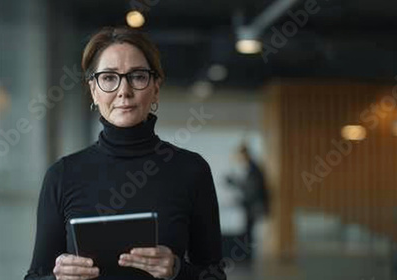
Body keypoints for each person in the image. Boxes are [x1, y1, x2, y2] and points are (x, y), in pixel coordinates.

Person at [25, 26, 226, 280]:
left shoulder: (191, 170)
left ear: (155, 87)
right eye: (109, 78)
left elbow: (216, 276)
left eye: (138, 76)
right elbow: (35, 276)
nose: (124, 91)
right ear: (93, 90)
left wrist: (177, 270)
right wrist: (57, 278)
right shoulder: (62, 175)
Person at [225, 143, 270, 263]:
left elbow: (252, 190)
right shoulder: (252, 168)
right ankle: (246, 258)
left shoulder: (253, 169)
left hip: (253, 208)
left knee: (248, 232)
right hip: (251, 207)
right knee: (248, 232)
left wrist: (235, 185)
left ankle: (246, 259)